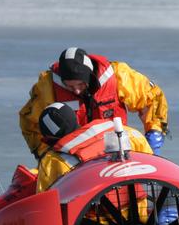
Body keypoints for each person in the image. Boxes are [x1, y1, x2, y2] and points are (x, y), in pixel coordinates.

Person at [19, 47, 168, 159]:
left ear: (89, 77)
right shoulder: (48, 87)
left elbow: (152, 98)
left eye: (80, 85)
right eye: (70, 87)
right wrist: (44, 153)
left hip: (117, 153)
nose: (76, 91)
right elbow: (30, 122)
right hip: (74, 158)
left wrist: (154, 134)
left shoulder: (119, 76)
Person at [36, 102, 153, 192]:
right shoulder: (121, 131)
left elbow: (44, 201)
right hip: (137, 213)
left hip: (89, 221)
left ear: (49, 139)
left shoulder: (52, 161)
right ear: (75, 118)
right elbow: (153, 163)